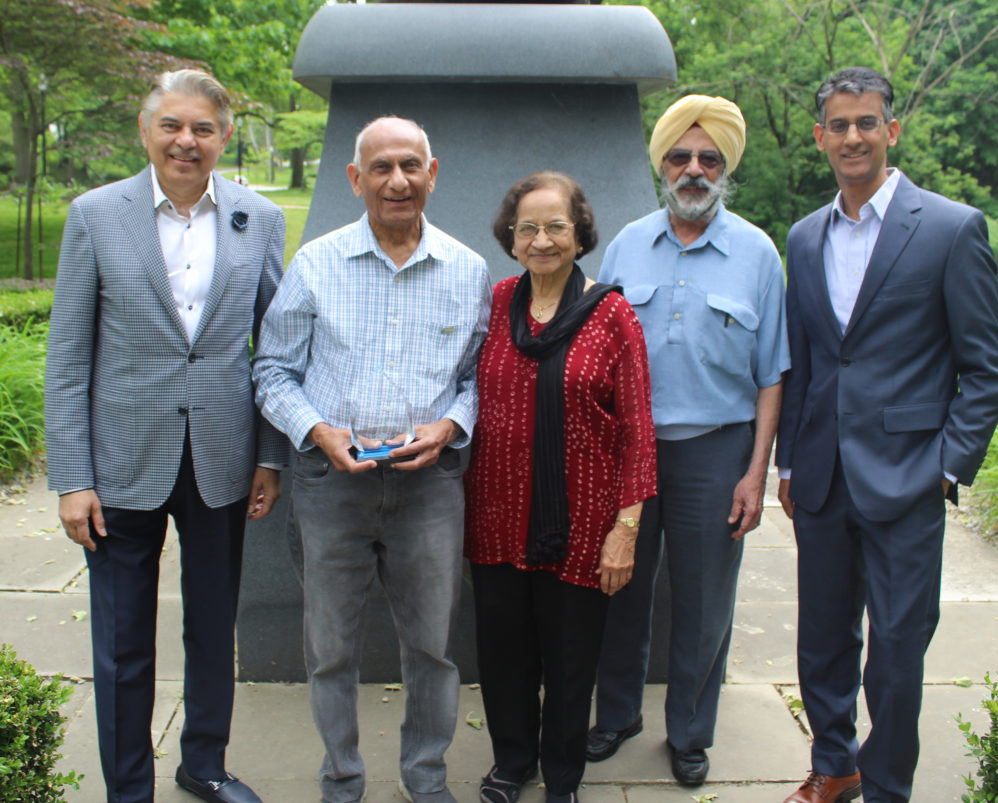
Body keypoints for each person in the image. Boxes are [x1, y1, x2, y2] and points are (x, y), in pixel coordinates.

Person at [44, 69, 287, 803]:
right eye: (173, 126)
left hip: (222, 457)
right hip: (118, 461)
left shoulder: (259, 218)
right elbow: (66, 358)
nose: (187, 141)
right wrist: (71, 478)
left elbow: (273, 345)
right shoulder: (95, 215)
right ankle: (128, 786)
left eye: (203, 128)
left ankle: (204, 762)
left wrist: (272, 454)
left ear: (224, 137)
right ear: (146, 131)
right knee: (122, 641)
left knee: (214, 626)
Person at [776, 67, 998, 803]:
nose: (853, 136)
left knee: (899, 652)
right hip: (820, 477)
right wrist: (789, 459)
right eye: (839, 125)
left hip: (909, 476)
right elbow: (808, 357)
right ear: (820, 138)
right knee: (821, 643)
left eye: (866, 122)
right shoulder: (806, 236)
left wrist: (949, 467)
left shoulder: (949, 227)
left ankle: (886, 785)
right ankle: (835, 762)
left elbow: (986, 365)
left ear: (891, 130)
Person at [251, 116, 491, 803]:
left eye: (411, 166)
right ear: (356, 179)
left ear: (432, 173)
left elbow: (478, 377)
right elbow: (271, 369)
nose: (398, 180)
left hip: (429, 488)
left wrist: (451, 423)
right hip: (332, 484)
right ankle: (342, 779)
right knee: (331, 648)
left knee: (433, 648)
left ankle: (425, 775)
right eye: (381, 167)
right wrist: (316, 430)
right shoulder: (317, 263)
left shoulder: (467, 268)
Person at [587, 95, 790, 787]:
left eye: (709, 158)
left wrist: (754, 473)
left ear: (725, 168)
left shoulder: (758, 253)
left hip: (718, 448)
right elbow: (597, 357)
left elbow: (772, 376)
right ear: (662, 166)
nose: (694, 169)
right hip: (631, 450)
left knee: (706, 598)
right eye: (680, 156)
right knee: (621, 585)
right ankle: (615, 714)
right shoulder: (626, 244)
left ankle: (691, 731)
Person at [464, 171, 657, 803]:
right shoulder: (494, 303)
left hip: (582, 525)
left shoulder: (612, 312)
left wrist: (624, 532)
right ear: (510, 238)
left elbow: (637, 430)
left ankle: (563, 778)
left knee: (571, 664)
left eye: (555, 226)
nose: (541, 240)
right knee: (503, 655)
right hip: (495, 516)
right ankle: (511, 763)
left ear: (579, 235)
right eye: (528, 228)